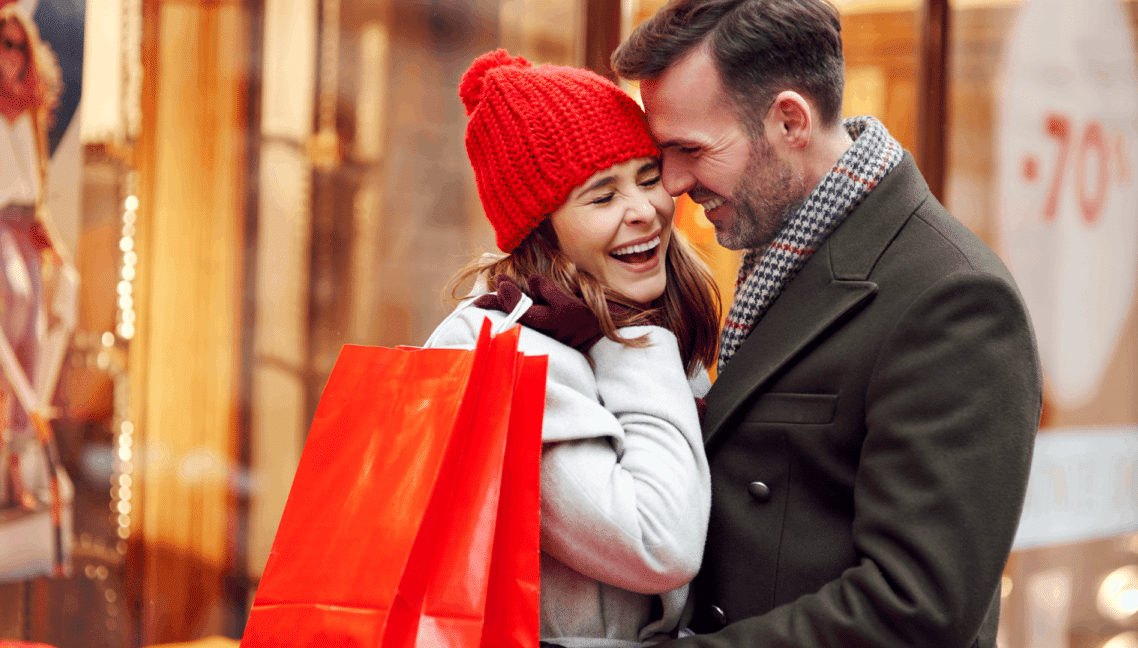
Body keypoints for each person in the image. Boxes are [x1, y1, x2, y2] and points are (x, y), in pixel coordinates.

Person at [611, 1, 1042, 646]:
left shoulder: (956, 300)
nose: (671, 183)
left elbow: (916, 606)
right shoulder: (782, 246)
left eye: (689, 149)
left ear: (790, 120)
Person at [424, 49, 722, 647]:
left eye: (646, 177)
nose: (645, 212)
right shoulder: (509, 349)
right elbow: (658, 542)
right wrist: (634, 341)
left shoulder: (627, 316)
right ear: (542, 228)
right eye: (602, 196)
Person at [0, 4, 64, 513]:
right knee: (13, 297)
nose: (11, 55)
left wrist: (48, 233)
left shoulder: (32, 109)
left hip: (26, 223)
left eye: (19, 46)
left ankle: (16, 465)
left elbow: (36, 181)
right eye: (4, 45)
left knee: (33, 339)